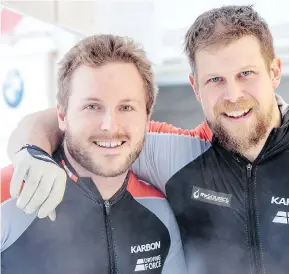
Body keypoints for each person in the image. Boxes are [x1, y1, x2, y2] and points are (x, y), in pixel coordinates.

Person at [6, 5, 289, 274]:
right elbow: (80, 127)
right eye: (215, 79)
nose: (233, 95)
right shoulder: (173, 153)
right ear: (195, 85)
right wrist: (32, 151)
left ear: (274, 71)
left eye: (246, 74)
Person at [1, 34, 187, 274]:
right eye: (92, 106)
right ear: (61, 115)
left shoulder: (159, 211)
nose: (109, 125)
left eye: (126, 107)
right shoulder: (8, 196)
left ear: (147, 117)